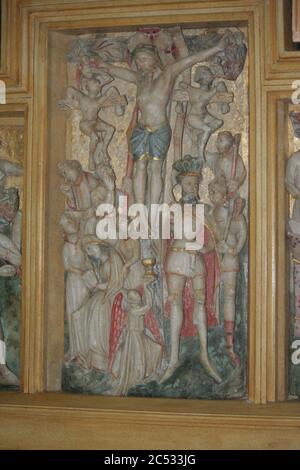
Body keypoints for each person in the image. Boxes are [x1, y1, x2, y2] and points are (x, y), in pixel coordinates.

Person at [99, 31, 229, 205]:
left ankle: (153, 208)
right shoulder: (140, 80)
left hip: (159, 129)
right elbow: (117, 71)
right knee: (140, 168)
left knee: (155, 168)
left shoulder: (167, 75)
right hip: (141, 130)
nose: (141, 64)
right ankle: (140, 209)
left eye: (144, 59)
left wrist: (217, 48)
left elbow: (189, 60)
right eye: (138, 61)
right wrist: (98, 64)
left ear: (154, 61)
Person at [162, 156, 221, 383]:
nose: (192, 187)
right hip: (177, 257)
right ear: (180, 185)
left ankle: (205, 355)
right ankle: (173, 358)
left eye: (195, 184)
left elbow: (214, 238)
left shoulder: (204, 209)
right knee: (175, 300)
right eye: (188, 183)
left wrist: (205, 247)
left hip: (195, 258)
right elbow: (162, 232)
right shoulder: (173, 207)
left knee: (200, 302)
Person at [208, 178, 247, 366]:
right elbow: (208, 236)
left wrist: (231, 250)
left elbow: (241, 234)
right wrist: (215, 245)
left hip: (229, 259)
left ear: (223, 195)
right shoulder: (210, 214)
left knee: (229, 296)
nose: (210, 195)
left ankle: (230, 345)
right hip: (214, 258)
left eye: (213, 192)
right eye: (210, 192)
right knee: (213, 295)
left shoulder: (235, 215)